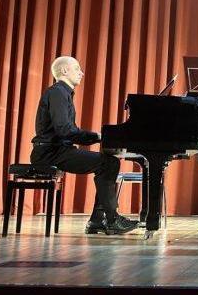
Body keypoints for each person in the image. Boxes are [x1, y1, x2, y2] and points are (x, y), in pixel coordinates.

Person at [30, 56, 138, 235]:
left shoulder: (62, 93)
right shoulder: (57, 92)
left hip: (56, 150)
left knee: (109, 163)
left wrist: (97, 137)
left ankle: (98, 220)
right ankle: (111, 220)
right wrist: (97, 137)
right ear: (64, 71)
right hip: (50, 152)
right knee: (108, 163)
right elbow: (65, 130)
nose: (81, 73)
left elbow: (67, 130)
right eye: (77, 69)